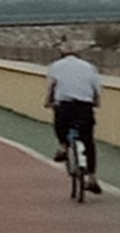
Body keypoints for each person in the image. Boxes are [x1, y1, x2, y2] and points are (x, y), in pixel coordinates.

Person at [45, 44, 102, 194]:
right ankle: (91, 177)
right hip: (84, 107)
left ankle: (63, 146)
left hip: (65, 106)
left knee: (60, 125)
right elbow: (96, 89)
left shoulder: (56, 66)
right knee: (88, 140)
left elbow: (52, 86)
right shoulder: (89, 67)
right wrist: (96, 102)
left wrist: (48, 101)